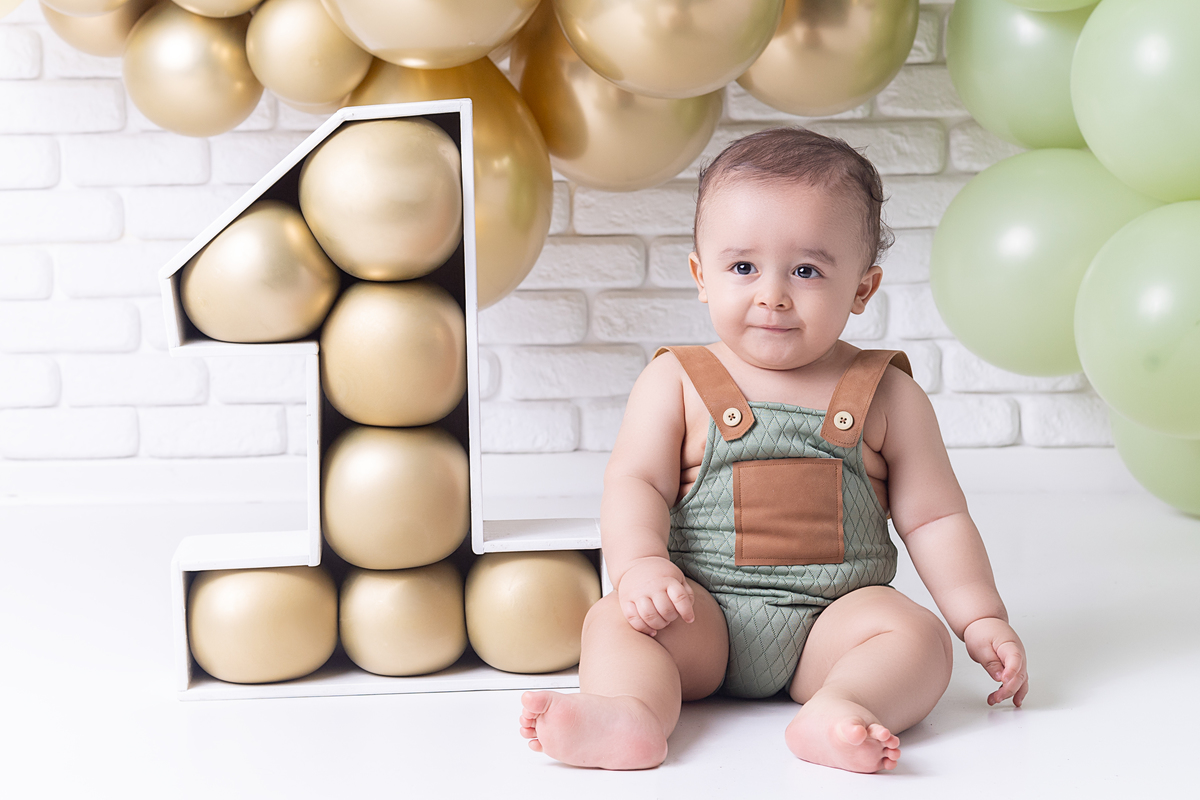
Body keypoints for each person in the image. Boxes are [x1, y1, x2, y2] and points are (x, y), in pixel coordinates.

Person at [518, 128, 1029, 774]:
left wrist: (979, 616)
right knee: (615, 618)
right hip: (700, 615)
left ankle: (842, 706)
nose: (773, 294)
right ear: (702, 277)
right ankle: (630, 713)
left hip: (832, 627)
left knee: (918, 637)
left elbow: (935, 518)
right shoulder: (675, 382)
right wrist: (641, 565)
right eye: (743, 268)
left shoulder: (889, 396)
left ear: (863, 290)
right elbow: (635, 484)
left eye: (807, 271)